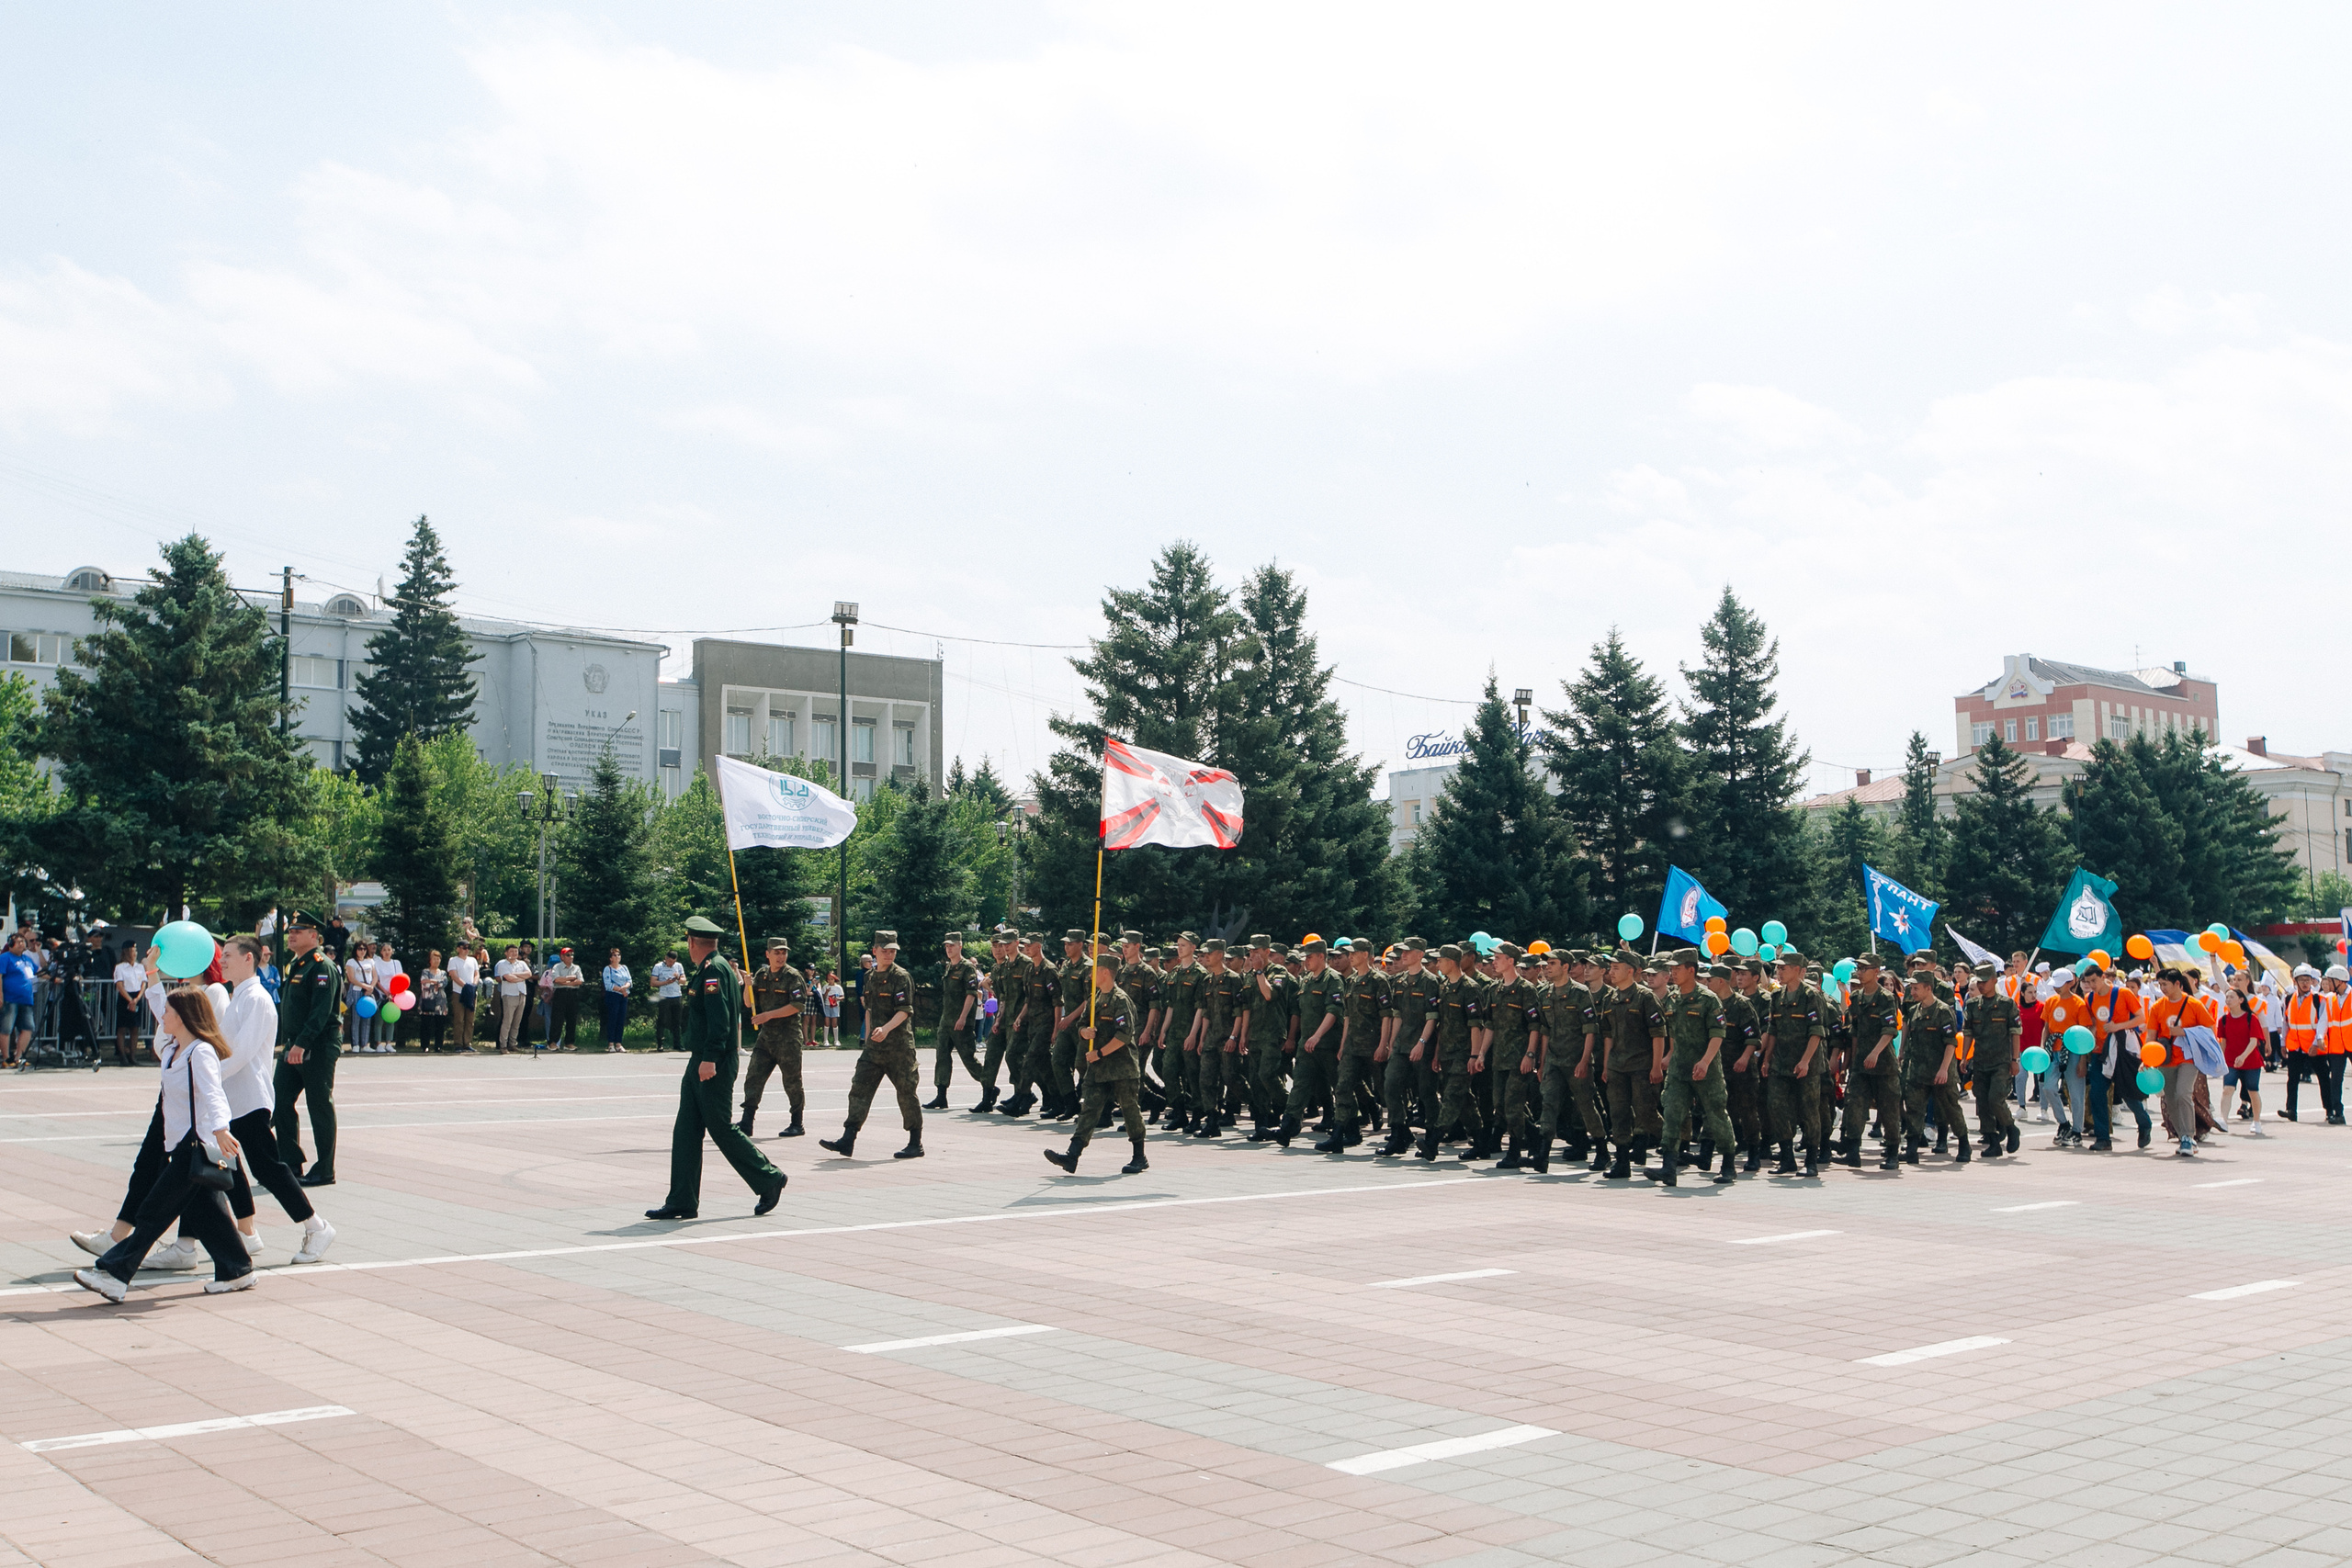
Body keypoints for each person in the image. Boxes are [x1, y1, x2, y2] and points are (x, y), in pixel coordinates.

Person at [72, 985, 256, 1303]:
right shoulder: (173, 1049)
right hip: (177, 1146)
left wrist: (221, 1129)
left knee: (153, 1213)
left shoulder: (201, 1053)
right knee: (208, 1215)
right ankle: (238, 1269)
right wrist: (153, 975)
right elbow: (160, 1005)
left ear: (184, 1018)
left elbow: (213, 1094)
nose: (162, 1018)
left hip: (194, 1146)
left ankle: (115, 1274)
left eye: (169, 1014)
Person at [645, 916, 786, 1221]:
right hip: (702, 1058)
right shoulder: (709, 968)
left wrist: (709, 1058)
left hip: (714, 1059)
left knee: (720, 1126)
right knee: (686, 1130)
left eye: (687, 942)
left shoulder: (715, 971)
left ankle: (769, 1177)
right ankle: (682, 1199)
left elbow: (721, 1021)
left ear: (693, 942)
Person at [216, 934, 335, 1262]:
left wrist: (208, 1077)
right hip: (231, 1098)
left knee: (268, 1169)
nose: (222, 960)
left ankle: (316, 1226)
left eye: (228, 955)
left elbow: (241, 1053)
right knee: (228, 1165)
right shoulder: (238, 997)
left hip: (249, 1100)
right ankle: (246, 1232)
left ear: (248, 959)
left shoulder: (256, 999)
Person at [820, 931, 924, 1159]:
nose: (889, 955)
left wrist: (885, 1029)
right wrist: (867, 1038)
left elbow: (905, 1011)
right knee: (859, 1089)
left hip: (899, 1047)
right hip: (874, 1048)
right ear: (875, 951)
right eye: (885, 951)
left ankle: (915, 1142)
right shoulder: (869, 977)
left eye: (892, 951)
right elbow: (869, 1009)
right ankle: (848, 1139)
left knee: (906, 1093)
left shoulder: (901, 977)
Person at [1044, 953, 1149, 1176]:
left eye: (1095, 970)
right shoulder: (1095, 999)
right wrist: (1084, 1031)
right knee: (1089, 1109)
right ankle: (1072, 1155)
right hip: (1099, 1067)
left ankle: (1139, 1156)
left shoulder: (1121, 1000)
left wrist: (1099, 1052)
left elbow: (1124, 1035)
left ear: (1105, 972)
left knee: (1130, 1110)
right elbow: (1081, 1025)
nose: (1091, 974)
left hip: (1121, 1067)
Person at [273, 911, 343, 1188]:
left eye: (298, 932)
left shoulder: (321, 966)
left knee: (319, 1105)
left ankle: (325, 1169)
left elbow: (321, 1012)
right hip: (294, 1045)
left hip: (317, 1046)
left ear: (314, 936)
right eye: (291, 931)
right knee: (279, 1101)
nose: (291, 935)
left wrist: (302, 1044)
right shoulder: (298, 965)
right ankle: (290, 1162)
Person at [1897, 969, 1971, 1166]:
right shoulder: (1914, 1011)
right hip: (1918, 1070)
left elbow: (1950, 1043)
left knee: (1950, 1108)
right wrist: (1902, 1053)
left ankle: (1964, 1144)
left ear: (1928, 988)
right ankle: (1912, 1149)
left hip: (1940, 1071)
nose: (1912, 992)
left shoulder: (1943, 1011)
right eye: (1911, 988)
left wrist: (1944, 1069)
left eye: (1916, 988)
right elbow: (1909, 1036)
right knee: (1914, 1108)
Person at [1838, 954, 1903, 1171]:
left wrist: (1875, 1053)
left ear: (1876, 972)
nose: (1859, 972)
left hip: (1883, 1063)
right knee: (1854, 1105)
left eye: (1864, 969)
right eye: (1858, 968)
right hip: (1861, 1064)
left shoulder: (1885, 998)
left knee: (1889, 1108)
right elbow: (1853, 1031)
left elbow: (1890, 1030)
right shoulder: (1856, 998)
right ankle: (1853, 1151)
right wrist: (1850, 1063)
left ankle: (1893, 1150)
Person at [740, 937, 808, 1138]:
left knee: (792, 1080)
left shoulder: (793, 976)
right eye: (776, 952)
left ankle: (797, 1123)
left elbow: (797, 1005)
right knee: (754, 1077)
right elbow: (748, 1003)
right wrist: (747, 985)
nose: (781, 956)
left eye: (784, 952)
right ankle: (746, 1121)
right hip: (767, 1037)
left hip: (788, 1037)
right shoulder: (762, 975)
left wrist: (768, 1015)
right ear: (767, 954)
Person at [2147, 968, 2216, 1156]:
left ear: (2178, 984)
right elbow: (2151, 1035)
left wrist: (2185, 1032)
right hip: (2166, 1059)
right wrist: (2147, 1058)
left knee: (2183, 1093)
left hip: (2189, 1057)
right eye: (2159, 985)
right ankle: (2182, 1135)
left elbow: (2209, 1030)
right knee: (2170, 1099)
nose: (2162, 988)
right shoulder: (2157, 1007)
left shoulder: (2194, 1004)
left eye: (2165, 984)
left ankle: (2188, 1136)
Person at [1962, 962, 2022, 1157]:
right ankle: (1992, 1140)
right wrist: (1964, 1058)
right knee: (1982, 1101)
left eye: (1985, 982)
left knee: (1996, 1099)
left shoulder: (2006, 1004)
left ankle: (2011, 1127)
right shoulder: (1972, 1005)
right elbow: (1968, 1033)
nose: (1981, 986)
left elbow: (2015, 1033)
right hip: (1980, 1061)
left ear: (1994, 981)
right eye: (1979, 982)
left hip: (2001, 1061)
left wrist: (2015, 1060)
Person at [929, 931, 984, 1110]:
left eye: (952, 945)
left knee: (968, 1057)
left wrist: (962, 1018)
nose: (949, 949)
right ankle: (941, 1095)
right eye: (946, 946)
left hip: (961, 1021)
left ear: (960, 946)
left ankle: (989, 1087)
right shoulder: (949, 967)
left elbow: (971, 994)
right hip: (947, 1020)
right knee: (942, 1057)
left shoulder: (967, 967)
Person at [2220, 988, 2267, 1134]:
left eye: (2232, 997)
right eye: (2227, 997)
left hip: (2250, 1061)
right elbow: (2223, 1042)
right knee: (2228, 1089)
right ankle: (2224, 1120)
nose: (2228, 999)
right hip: (2230, 1061)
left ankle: (2257, 1121)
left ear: (2241, 1000)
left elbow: (2254, 1041)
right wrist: (2221, 1060)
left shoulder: (2251, 1018)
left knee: (2252, 1091)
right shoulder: (2224, 1020)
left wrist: (2243, 1056)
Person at [2, 929, 38, 1069]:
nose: (23, 944)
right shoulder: (5, 958)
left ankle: (19, 1056)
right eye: (20, 942)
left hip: (26, 999)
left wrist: (38, 951)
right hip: (10, 999)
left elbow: (39, 971)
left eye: (24, 941)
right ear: (11, 944)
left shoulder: (27, 959)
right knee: (6, 1028)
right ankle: (6, 1058)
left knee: (28, 1028)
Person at [110, 942, 146, 1065]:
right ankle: (122, 1055)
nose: (134, 953)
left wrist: (136, 999)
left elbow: (143, 984)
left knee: (135, 1028)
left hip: (136, 997)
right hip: (125, 997)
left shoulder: (140, 967)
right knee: (122, 1028)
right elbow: (120, 985)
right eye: (132, 951)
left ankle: (133, 1055)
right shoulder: (120, 967)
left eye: (135, 951)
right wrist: (130, 1000)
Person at [494, 943, 531, 1052]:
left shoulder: (522, 963)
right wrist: (520, 977)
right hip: (509, 994)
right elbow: (508, 978)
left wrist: (515, 975)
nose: (514, 953)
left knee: (517, 1021)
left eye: (516, 951)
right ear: (506, 953)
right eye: (511, 951)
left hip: (521, 993)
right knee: (507, 1021)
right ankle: (503, 1045)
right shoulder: (502, 964)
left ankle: (512, 1043)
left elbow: (529, 974)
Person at [650, 948, 686, 1052]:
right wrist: (665, 982)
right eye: (670, 961)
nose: (671, 964)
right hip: (664, 996)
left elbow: (684, 980)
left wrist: (678, 977)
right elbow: (653, 982)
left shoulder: (678, 966)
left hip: (676, 995)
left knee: (677, 1020)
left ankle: (677, 1043)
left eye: (673, 962)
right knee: (662, 1020)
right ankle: (660, 1043)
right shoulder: (658, 967)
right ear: (666, 958)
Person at [446, 942, 479, 1052]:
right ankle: (458, 1043)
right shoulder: (453, 960)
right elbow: (453, 975)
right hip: (459, 992)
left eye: (468, 948)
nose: (467, 950)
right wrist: (465, 986)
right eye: (464, 948)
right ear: (458, 949)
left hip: (471, 993)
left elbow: (476, 973)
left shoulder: (473, 960)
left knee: (470, 1019)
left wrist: (473, 985)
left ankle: (467, 1043)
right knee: (459, 1019)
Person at [373, 942, 404, 1052]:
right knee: (379, 1020)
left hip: (394, 995)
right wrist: (386, 992)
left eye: (389, 950)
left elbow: (400, 979)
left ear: (392, 951)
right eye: (384, 950)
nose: (387, 952)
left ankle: (389, 1043)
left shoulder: (396, 963)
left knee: (391, 1019)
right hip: (381, 994)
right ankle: (378, 1044)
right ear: (381, 952)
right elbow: (377, 980)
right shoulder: (377, 963)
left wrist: (393, 993)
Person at [600, 947, 631, 1053]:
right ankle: (611, 1044)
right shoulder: (607, 969)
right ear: (610, 958)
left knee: (621, 1020)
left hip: (624, 996)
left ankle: (619, 1043)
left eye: (619, 955)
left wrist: (625, 987)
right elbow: (608, 985)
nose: (617, 957)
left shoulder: (624, 968)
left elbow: (629, 981)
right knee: (612, 1019)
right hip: (613, 996)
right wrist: (620, 990)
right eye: (614, 955)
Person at [417, 951, 449, 1052]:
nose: (437, 960)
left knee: (439, 1025)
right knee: (426, 1024)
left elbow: (443, 983)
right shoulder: (425, 971)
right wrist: (435, 982)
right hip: (427, 1000)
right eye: (434, 958)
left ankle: (438, 1046)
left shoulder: (443, 972)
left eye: (438, 958)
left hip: (440, 1002)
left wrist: (431, 981)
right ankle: (425, 1046)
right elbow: (424, 983)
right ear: (430, 960)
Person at [820, 970, 843, 1048]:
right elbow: (823, 997)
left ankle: (836, 1040)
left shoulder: (838, 987)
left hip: (835, 1006)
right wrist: (826, 992)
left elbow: (842, 997)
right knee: (826, 1022)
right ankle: (825, 1040)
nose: (830, 981)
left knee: (834, 1023)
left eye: (832, 979)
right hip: (827, 1005)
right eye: (828, 979)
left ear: (834, 979)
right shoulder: (825, 987)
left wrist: (838, 999)